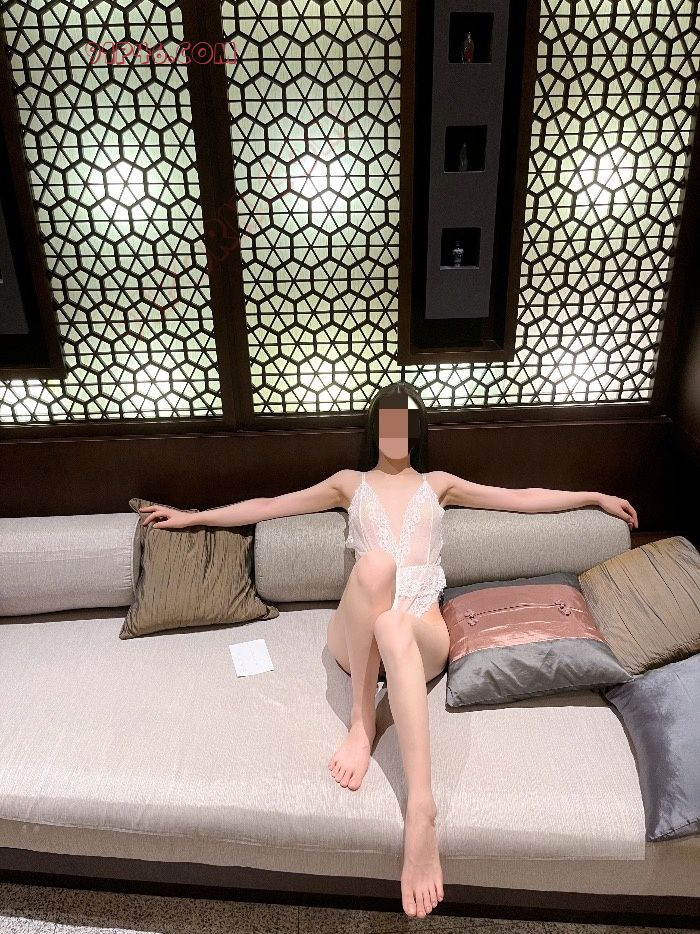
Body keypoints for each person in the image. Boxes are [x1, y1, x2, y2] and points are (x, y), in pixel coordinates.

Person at [137, 381, 639, 919]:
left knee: (395, 623)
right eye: (388, 418)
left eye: (406, 419)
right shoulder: (347, 484)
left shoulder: (439, 484)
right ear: (375, 427)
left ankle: (421, 811)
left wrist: (593, 497)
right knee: (375, 567)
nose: (396, 429)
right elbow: (270, 506)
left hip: (418, 633)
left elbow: (519, 498)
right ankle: (362, 723)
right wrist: (193, 516)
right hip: (355, 636)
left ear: (416, 430)